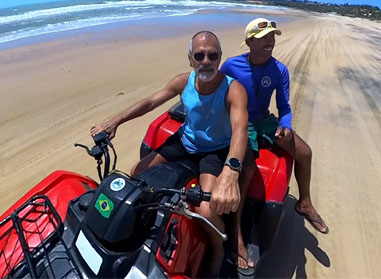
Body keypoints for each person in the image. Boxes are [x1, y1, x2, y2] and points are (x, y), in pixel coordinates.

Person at [90, 31, 249, 277]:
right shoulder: (183, 82)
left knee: (207, 209)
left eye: (212, 55)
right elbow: (151, 101)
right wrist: (115, 122)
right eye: (199, 55)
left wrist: (231, 170)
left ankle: (218, 249)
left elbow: (240, 129)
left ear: (220, 58)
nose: (205, 61)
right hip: (184, 142)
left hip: (215, 151)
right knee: (137, 173)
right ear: (190, 59)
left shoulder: (233, 89)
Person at [221, 18, 329, 270]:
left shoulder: (278, 70)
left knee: (304, 152)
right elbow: (219, 95)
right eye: (264, 38)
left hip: (265, 122)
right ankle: (236, 235)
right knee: (246, 172)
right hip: (241, 122)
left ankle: (304, 203)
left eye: (273, 37)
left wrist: (286, 126)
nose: (270, 42)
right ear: (249, 42)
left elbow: (284, 107)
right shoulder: (231, 65)